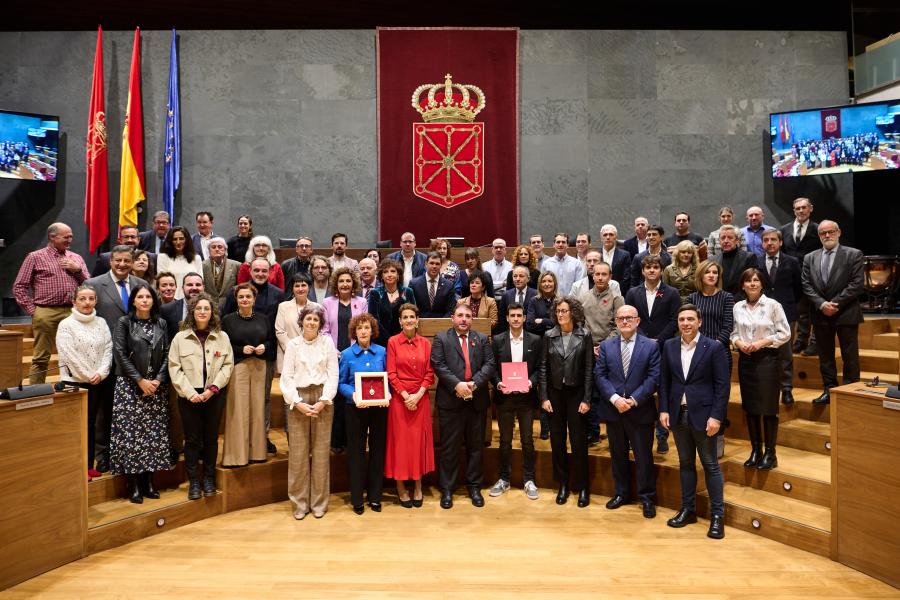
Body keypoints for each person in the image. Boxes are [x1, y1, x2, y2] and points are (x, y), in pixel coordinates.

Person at [659, 304, 729, 540]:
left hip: (705, 416)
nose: (686, 323)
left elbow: (722, 386)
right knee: (685, 463)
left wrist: (717, 416)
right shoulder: (669, 346)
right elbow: (665, 382)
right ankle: (688, 510)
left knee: (710, 465)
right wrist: (664, 410)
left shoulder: (714, 347)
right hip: (678, 415)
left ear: (699, 322)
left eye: (690, 319)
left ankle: (718, 516)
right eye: (681, 319)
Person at [594, 304, 661, 518]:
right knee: (618, 456)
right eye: (621, 318)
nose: (624, 321)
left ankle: (647, 498)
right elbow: (600, 375)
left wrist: (633, 400)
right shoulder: (606, 345)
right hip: (614, 410)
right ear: (616, 321)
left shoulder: (650, 346)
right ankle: (621, 493)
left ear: (637, 321)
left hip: (639, 410)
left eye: (629, 318)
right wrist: (615, 399)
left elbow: (653, 378)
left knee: (643, 457)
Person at [167, 293, 234, 500]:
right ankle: (194, 481)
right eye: (199, 309)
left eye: (206, 309)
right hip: (189, 396)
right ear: (192, 312)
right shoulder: (180, 338)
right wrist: (189, 393)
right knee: (193, 439)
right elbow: (175, 368)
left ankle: (209, 478)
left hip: (213, 394)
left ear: (212, 312)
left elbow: (227, 365)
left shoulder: (222, 337)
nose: (203, 312)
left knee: (211, 438)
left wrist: (212, 389)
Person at [431, 303, 496, 509]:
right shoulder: (442, 339)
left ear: (472, 319)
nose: (464, 319)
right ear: (453, 318)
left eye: (468, 316)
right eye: (460, 315)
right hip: (451, 401)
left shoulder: (482, 339)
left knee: (475, 447)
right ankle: (447, 489)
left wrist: (474, 384)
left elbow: (490, 364)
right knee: (449, 448)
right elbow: (438, 364)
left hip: (476, 401)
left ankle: (474, 487)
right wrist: (457, 385)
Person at [110, 283, 170, 504]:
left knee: (153, 437)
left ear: (153, 301)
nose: (144, 300)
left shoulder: (161, 323)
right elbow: (120, 353)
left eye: (148, 297)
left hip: (155, 387)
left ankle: (149, 481)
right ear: (133, 301)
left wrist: (157, 380)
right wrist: (140, 380)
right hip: (130, 386)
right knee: (132, 436)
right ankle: (134, 484)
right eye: (140, 297)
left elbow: (166, 353)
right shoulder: (124, 322)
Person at [84, 245, 142, 473]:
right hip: (105, 359)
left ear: (132, 262)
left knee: (130, 412)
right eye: (118, 260)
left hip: (135, 359)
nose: (122, 265)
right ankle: (103, 455)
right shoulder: (94, 285)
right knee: (104, 412)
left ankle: (126, 454)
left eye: (126, 261)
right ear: (111, 261)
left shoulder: (141, 285)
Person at [279, 303, 339, 520]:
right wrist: (297, 402)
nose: (311, 322)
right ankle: (299, 503)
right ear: (302, 322)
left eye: (315, 320)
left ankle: (319, 503)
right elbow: (286, 377)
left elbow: (333, 374)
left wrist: (324, 400)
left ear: (320, 324)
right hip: (299, 399)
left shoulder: (327, 342)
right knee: (298, 455)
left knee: (321, 454)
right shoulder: (293, 345)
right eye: (308, 319)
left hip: (323, 399)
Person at [13, 222, 89, 383]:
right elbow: (19, 287)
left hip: (73, 312)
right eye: (66, 237)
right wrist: (35, 311)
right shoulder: (35, 257)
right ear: (52, 237)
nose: (69, 240)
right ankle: (35, 393)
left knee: (75, 355)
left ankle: (72, 390)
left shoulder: (76, 258)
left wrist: (77, 270)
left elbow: (89, 285)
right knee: (41, 357)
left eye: (71, 237)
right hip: (46, 311)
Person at [732, 268, 791, 470]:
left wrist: (761, 343)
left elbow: (785, 333)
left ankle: (770, 453)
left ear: (762, 284)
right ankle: (756, 450)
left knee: (767, 408)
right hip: (746, 360)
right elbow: (733, 333)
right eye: (748, 281)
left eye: (756, 280)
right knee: (751, 407)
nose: (753, 284)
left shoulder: (773, 305)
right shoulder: (737, 306)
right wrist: (739, 343)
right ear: (743, 285)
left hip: (767, 359)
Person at [801, 220, 864, 405]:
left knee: (849, 355)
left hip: (846, 312)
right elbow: (806, 284)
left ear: (839, 232)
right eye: (823, 233)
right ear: (819, 236)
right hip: (821, 314)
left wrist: (834, 304)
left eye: (830, 232)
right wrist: (821, 305)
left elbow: (857, 284)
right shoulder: (809, 257)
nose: (827, 236)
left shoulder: (854, 254)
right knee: (825, 356)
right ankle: (829, 390)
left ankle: (850, 392)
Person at [540, 296, 594, 507]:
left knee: (579, 442)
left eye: (564, 311)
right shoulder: (548, 335)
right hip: (554, 395)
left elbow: (590, 369)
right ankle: (562, 483)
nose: (561, 314)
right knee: (557, 441)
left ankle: (582, 487)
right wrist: (543, 397)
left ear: (573, 312)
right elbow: (543, 368)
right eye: (558, 311)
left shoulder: (585, 335)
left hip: (577, 394)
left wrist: (587, 399)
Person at [625, 254, 681, 454]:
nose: (651, 271)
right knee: (639, 388)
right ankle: (636, 434)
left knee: (662, 390)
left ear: (661, 270)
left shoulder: (672, 293)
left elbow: (675, 320)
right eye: (648, 267)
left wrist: (658, 339)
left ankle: (662, 435)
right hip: (639, 347)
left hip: (664, 346)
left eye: (655, 267)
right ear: (642, 271)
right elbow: (630, 318)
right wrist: (644, 340)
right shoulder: (633, 293)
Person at [55, 284, 113, 480]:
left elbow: (108, 349)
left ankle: (89, 465)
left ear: (96, 301)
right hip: (76, 383)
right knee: (80, 426)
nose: (87, 302)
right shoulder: (66, 324)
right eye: (82, 299)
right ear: (74, 301)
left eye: (91, 298)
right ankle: (76, 467)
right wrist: (89, 375)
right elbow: (68, 355)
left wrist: (101, 373)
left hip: (99, 380)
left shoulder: (102, 322)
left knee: (94, 425)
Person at [489, 302, 543, 500]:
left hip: (527, 398)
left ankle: (529, 480)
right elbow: (492, 368)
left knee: (528, 441)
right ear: (507, 318)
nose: (516, 319)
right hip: (505, 398)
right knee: (504, 441)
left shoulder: (536, 340)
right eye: (512, 315)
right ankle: (504, 478)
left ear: (524, 317)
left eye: (519, 315)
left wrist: (531, 381)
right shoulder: (497, 340)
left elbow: (540, 368)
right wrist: (498, 383)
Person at [385, 303, 435, 507]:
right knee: (401, 445)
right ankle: (400, 487)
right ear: (399, 321)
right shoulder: (392, 342)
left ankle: (417, 486)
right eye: (404, 317)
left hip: (420, 399)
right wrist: (406, 396)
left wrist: (419, 393)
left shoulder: (425, 343)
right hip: (400, 399)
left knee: (417, 445)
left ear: (417, 320)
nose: (408, 320)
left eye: (411, 317)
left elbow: (430, 373)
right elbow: (391, 373)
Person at [338, 313, 388, 514]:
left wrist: (388, 396)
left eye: (367, 328)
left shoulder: (382, 352)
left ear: (372, 330)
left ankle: (375, 497)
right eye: (359, 328)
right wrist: (354, 395)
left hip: (379, 410)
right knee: (356, 454)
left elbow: (387, 379)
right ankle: (357, 498)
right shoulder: (347, 354)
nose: (363, 332)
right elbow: (341, 382)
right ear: (354, 332)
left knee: (377, 452)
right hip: (355, 409)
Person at [221, 283, 275, 467]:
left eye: (248, 296)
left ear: (254, 298)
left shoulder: (264, 319)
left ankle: (257, 453)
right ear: (236, 299)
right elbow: (223, 346)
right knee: (238, 410)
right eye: (241, 297)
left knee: (258, 410)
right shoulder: (227, 320)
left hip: (259, 366)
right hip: (238, 366)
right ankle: (236, 456)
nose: (245, 299)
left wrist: (264, 347)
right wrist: (240, 349)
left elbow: (271, 341)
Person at [321, 267, 369, 454]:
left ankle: (353, 442)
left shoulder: (362, 302)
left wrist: (351, 351)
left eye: (348, 281)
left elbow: (364, 327)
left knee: (353, 397)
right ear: (336, 284)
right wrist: (334, 351)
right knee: (337, 399)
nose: (345, 284)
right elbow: (324, 330)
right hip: (334, 356)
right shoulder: (327, 302)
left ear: (353, 283)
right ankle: (336, 442)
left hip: (355, 355)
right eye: (341, 281)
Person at [760, 229, 803, 405]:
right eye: (766, 240)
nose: (769, 243)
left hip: (786, 314)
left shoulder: (792, 262)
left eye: (773, 240)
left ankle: (786, 389)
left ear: (780, 242)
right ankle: (766, 387)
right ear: (762, 243)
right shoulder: (755, 261)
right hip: (762, 314)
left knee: (785, 353)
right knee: (765, 353)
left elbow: (799, 289)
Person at [780, 197, 821, 356]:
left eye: (804, 207)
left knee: (814, 312)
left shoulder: (818, 229)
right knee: (800, 311)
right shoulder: (784, 230)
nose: (801, 211)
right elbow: (783, 254)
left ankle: (815, 343)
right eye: (798, 208)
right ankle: (800, 341)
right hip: (792, 278)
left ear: (810, 208)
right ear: (794, 210)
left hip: (813, 277)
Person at [686, 260, 735, 376]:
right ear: (700, 275)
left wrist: (714, 345)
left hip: (720, 349)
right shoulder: (692, 298)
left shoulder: (726, 297)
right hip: (696, 350)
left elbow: (728, 326)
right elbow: (688, 326)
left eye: (715, 272)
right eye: (707, 272)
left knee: (721, 391)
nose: (712, 275)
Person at [275, 273, 322, 375]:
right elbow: (280, 331)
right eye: (297, 286)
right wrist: (293, 349)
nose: (300, 289)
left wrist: (306, 349)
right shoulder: (283, 306)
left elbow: (320, 331)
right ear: (292, 288)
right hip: (288, 355)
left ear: (309, 288)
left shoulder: (317, 307)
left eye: (303, 285)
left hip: (311, 356)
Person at [368, 258, 417, 347]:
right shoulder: (374, 293)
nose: (389, 275)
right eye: (385, 272)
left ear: (398, 275)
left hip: (404, 340)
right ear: (381, 276)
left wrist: (399, 339)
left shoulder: (407, 292)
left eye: (393, 271)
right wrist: (389, 340)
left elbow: (413, 315)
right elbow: (373, 319)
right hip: (380, 342)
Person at [155, 226, 203, 299]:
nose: (178, 242)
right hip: (170, 300)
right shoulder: (163, 257)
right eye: (174, 239)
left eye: (181, 239)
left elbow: (200, 283)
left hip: (192, 300)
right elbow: (162, 282)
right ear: (170, 241)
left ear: (187, 240)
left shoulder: (196, 258)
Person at [715, 224, 757, 299]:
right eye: (723, 238)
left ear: (737, 240)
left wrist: (736, 300)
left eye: (730, 238)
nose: (726, 241)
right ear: (719, 241)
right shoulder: (713, 260)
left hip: (742, 301)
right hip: (718, 302)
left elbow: (751, 283)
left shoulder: (749, 257)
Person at [410, 252, 457, 318]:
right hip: (419, 324)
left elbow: (451, 310)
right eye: (431, 263)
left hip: (441, 325)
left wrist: (441, 323)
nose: (434, 266)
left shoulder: (449, 285)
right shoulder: (414, 284)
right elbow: (411, 308)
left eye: (437, 264)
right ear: (426, 264)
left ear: (441, 265)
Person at [498, 264, 538, 334]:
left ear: (528, 278)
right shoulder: (506, 295)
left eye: (521, 276)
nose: (517, 279)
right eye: (515, 276)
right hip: (511, 334)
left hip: (531, 335)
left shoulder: (536, 295)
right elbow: (502, 319)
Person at [202, 236, 240, 305]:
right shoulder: (202, 266)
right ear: (209, 250)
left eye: (220, 247)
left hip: (229, 305)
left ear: (225, 250)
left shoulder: (236, 265)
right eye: (213, 247)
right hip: (208, 304)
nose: (217, 249)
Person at [597, 224, 632, 294]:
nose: (608, 237)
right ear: (601, 238)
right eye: (605, 235)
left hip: (618, 293)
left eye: (611, 234)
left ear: (615, 237)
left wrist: (615, 292)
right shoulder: (596, 255)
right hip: (598, 293)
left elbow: (626, 278)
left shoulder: (625, 255)